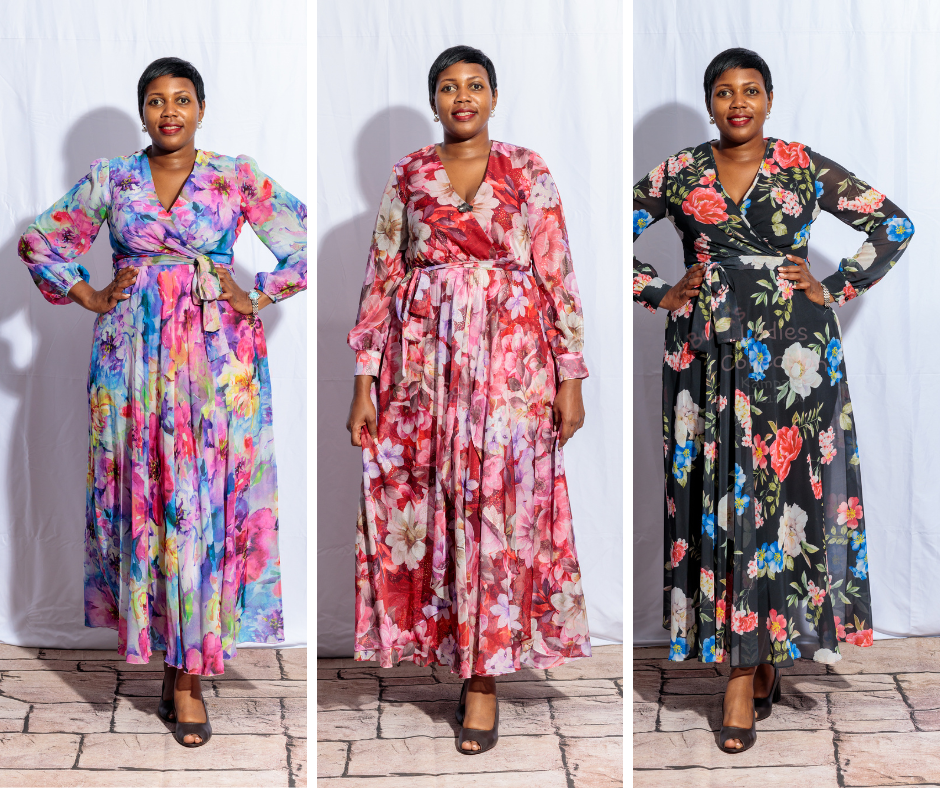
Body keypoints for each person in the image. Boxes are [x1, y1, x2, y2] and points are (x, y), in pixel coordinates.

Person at [18, 57, 306, 747]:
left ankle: (189, 678)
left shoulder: (235, 174)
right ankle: (167, 654)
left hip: (216, 361)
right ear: (142, 111)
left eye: (182, 98)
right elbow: (38, 240)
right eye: (155, 100)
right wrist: (89, 294)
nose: (169, 110)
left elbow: (299, 244)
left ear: (202, 108)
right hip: (131, 362)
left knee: (203, 505)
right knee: (149, 500)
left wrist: (254, 293)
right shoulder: (112, 177)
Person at [632, 48, 913, 753]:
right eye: (724, 92)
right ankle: (748, 660)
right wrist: (657, 290)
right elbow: (596, 231)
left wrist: (835, 286)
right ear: (709, 103)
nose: (738, 103)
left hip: (794, 357)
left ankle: (751, 662)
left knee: (779, 497)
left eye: (750, 90)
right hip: (705, 355)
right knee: (721, 498)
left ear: (770, 98)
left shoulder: (801, 164)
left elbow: (893, 224)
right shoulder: (680, 171)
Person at [346, 45, 591, 754]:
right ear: (434, 101)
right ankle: (449, 650)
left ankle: (483, 679)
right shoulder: (409, 173)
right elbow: (382, 275)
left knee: (501, 510)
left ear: (494, 96)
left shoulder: (528, 169)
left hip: (513, 367)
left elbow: (557, 272)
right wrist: (364, 383)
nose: (462, 96)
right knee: (432, 505)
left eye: (474, 84)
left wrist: (571, 376)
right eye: (449, 87)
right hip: (423, 368)